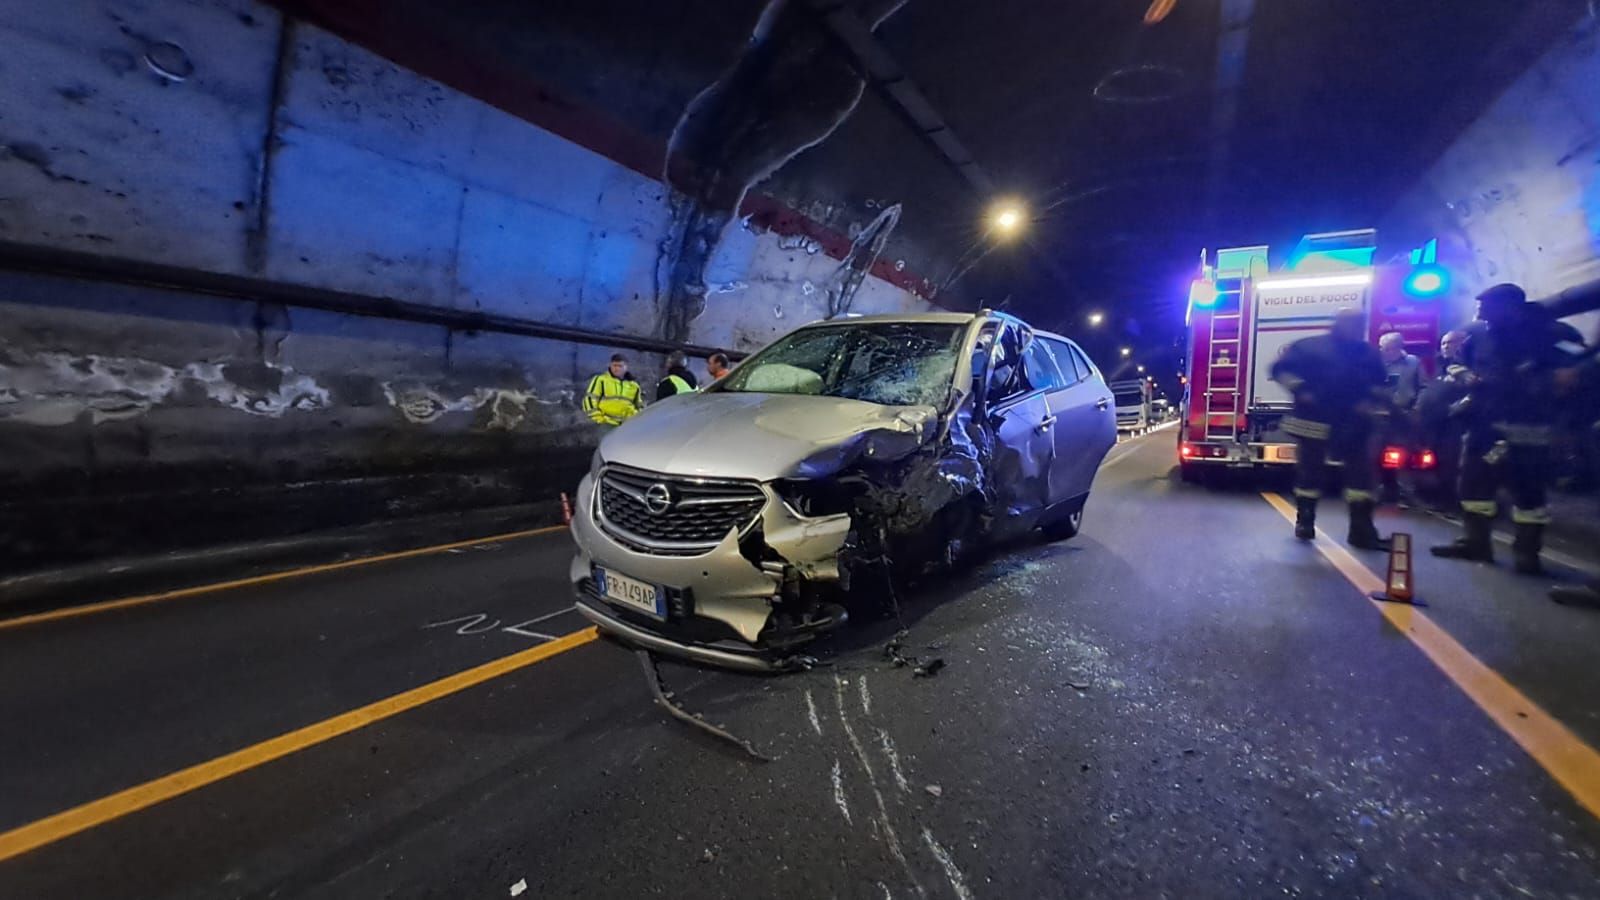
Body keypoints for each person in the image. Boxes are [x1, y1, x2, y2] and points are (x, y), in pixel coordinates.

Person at [1431, 284, 1582, 574]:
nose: (1480, 314)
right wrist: (1467, 377)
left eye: (1486, 308)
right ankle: (1477, 544)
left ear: (1509, 307)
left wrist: (1552, 393)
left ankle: (1527, 555)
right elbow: (1454, 364)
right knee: (1474, 487)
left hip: (1531, 430)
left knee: (1529, 495)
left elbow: (1578, 372)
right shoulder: (1480, 335)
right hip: (1485, 428)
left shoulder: (1553, 333)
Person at [1270, 308, 1392, 549]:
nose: (1355, 328)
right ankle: (1305, 522)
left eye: (1359, 324)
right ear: (1338, 324)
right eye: (1351, 323)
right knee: (1309, 472)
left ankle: (1361, 531)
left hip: (1354, 422)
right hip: (1312, 420)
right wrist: (1301, 390)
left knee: (1361, 477)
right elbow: (1280, 370)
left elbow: (1380, 382)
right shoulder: (1310, 347)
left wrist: (1371, 402)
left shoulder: (1367, 353)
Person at [1416, 329, 1471, 509]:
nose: (1446, 346)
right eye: (1444, 343)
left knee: (1450, 462)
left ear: (1463, 344)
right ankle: (1430, 496)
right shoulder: (1438, 364)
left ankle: (1449, 501)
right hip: (1433, 422)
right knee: (1431, 459)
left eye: (1451, 342)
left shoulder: (1467, 366)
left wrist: (1456, 408)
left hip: (1456, 422)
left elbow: (1474, 393)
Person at [1377, 332, 1424, 503]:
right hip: (1380, 415)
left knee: (1403, 452)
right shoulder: (1377, 363)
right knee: (1377, 452)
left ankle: (1405, 492)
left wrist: (1417, 407)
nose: (1384, 351)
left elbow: (1423, 386)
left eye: (1388, 349)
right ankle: (1383, 488)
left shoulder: (1413, 362)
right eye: (1382, 348)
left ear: (1398, 348)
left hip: (1404, 414)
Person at [583, 353, 643, 427]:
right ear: (610, 365)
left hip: (627, 425)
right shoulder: (601, 380)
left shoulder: (634, 385)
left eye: (620, 366)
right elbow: (589, 399)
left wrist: (635, 418)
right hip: (605, 424)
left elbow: (640, 406)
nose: (616, 368)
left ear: (626, 367)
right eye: (614, 365)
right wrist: (599, 419)